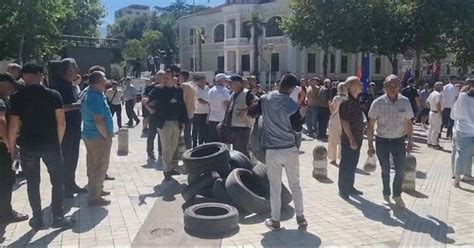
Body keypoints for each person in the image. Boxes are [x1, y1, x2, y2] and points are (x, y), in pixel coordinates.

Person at [8, 63, 71, 229]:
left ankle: (38, 219)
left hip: (28, 145)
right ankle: (58, 217)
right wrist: (57, 142)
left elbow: (14, 125)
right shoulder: (53, 95)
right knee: (57, 182)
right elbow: (62, 123)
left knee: (32, 182)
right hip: (51, 144)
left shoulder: (17, 96)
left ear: (23, 76)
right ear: (40, 75)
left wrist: (12, 146)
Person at [248, 73, 307, 231]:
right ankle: (301, 218)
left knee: (275, 188)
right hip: (290, 149)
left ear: (280, 83)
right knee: (295, 185)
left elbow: (251, 113)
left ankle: (275, 221)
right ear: (292, 88)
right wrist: (301, 108)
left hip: (272, 151)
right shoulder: (291, 105)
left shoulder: (265, 99)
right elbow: (297, 128)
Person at [367, 75, 414, 208]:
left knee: (400, 170)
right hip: (382, 141)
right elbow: (370, 125)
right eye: (390, 85)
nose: (393, 88)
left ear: (399, 86)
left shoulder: (405, 102)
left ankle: (397, 194)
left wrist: (410, 140)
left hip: (399, 140)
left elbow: (409, 122)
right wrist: (370, 145)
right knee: (385, 170)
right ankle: (386, 193)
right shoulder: (378, 103)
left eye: (395, 85)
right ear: (385, 87)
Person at [51, 58, 87, 199]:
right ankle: (65, 188)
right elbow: (59, 109)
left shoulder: (71, 85)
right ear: (67, 70)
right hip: (65, 130)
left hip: (74, 129)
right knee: (65, 159)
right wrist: (77, 105)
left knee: (73, 158)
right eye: (75, 67)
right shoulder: (58, 87)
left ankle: (71, 184)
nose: (77, 70)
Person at [81, 71, 114, 206]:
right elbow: (99, 120)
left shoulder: (92, 94)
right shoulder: (94, 97)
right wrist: (106, 136)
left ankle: (96, 189)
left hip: (91, 135)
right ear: (99, 81)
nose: (106, 81)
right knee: (100, 166)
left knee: (93, 164)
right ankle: (94, 197)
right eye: (104, 79)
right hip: (98, 136)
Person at [148, 70, 188, 181]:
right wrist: (150, 110)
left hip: (176, 121)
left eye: (167, 77)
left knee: (173, 146)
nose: (165, 79)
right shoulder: (158, 89)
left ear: (173, 78)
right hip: (163, 122)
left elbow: (182, 106)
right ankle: (167, 170)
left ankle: (168, 167)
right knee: (166, 147)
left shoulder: (178, 90)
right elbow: (147, 100)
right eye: (164, 77)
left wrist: (183, 121)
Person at [0, 72, 28, 224]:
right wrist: (10, 144)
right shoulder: (1, 101)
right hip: (4, 149)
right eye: (10, 87)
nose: (11, 90)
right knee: (7, 179)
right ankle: (6, 213)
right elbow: (1, 122)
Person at [338, 77, 365, 199]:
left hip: (357, 138)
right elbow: (344, 122)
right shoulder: (346, 102)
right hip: (350, 140)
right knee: (346, 164)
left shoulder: (355, 101)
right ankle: (343, 189)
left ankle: (350, 186)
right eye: (359, 83)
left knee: (353, 164)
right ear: (353, 87)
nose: (361, 85)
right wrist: (351, 139)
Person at [221, 75, 256, 157]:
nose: (229, 85)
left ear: (238, 83)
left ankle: (247, 168)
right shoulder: (233, 94)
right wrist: (224, 121)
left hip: (243, 127)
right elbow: (229, 108)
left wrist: (245, 111)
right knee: (236, 151)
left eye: (231, 83)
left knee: (242, 150)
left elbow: (256, 104)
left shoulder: (247, 94)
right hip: (233, 126)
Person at [451, 78, 474, 188]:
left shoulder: (462, 97)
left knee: (461, 154)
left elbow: (455, 114)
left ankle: (457, 179)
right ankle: (466, 175)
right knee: (467, 155)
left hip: (463, 130)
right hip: (467, 130)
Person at [144, 71, 164, 162]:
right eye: (160, 76)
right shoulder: (151, 88)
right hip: (153, 114)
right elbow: (144, 100)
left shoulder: (165, 87)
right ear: (156, 77)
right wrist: (149, 109)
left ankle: (161, 153)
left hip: (163, 115)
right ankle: (150, 153)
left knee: (162, 135)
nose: (162, 78)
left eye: (163, 76)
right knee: (151, 134)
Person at [327, 83, 347, 166]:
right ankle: (342, 157)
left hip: (335, 119)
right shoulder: (348, 99)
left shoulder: (336, 98)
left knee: (333, 140)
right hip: (344, 120)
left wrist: (329, 104)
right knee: (343, 140)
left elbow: (332, 110)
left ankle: (333, 159)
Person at [208, 74, 231, 142]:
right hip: (222, 119)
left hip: (212, 118)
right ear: (221, 80)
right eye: (225, 80)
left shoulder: (211, 90)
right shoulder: (223, 90)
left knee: (213, 140)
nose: (226, 82)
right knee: (222, 141)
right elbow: (227, 104)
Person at [179, 71, 196, 149]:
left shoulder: (184, 86)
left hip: (184, 113)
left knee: (182, 134)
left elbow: (182, 99)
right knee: (188, 133)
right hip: (191, 112)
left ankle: (185, 150)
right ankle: (189, 149)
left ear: (182, 76)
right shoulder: (192, 86)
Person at [426, 82, 444, 150]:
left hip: (431, 112)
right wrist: (439, 113)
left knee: (431, 128)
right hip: (436, 113)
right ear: (437, 87)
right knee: (436, 129)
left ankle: (429, 142)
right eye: (441, 86)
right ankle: (434, 144)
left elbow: (427, 102)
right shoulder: (438, 94)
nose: (442, 87)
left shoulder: (432, 93)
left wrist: (431, 108)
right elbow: (438, 104)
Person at [193, 75, 209, 148]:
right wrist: (209, 102)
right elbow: (200, 100)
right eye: (201, 81)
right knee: (196, 130)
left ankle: (202, 145)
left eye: (204, 80)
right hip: (197, 113)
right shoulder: (195, 89)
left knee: (204, 130)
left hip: (206, 113)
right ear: (197, 81)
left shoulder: (207, 88)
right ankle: (195, 145)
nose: (203, 82)